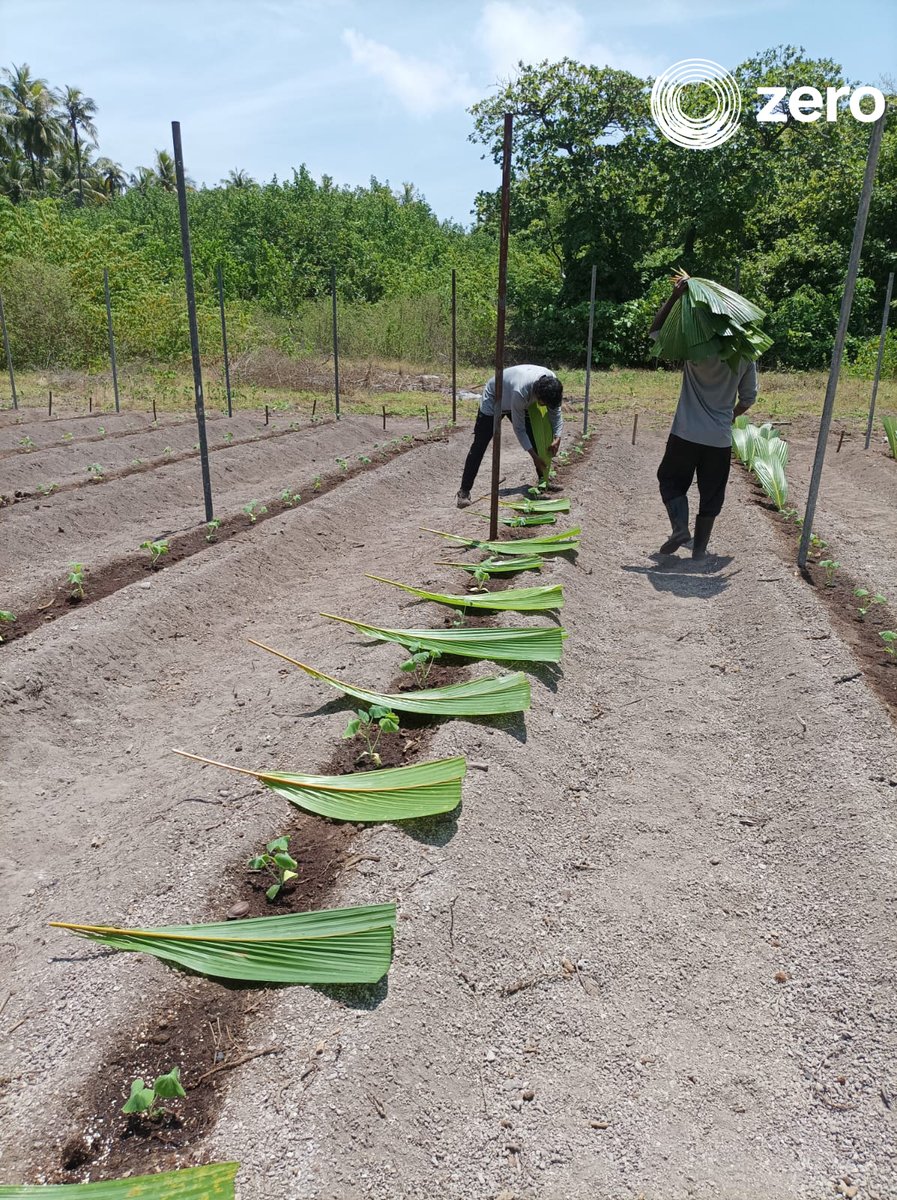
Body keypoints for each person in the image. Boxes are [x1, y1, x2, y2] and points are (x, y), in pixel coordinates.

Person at [651, 279, 758, 560]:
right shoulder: (746, 352)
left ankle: (679, 527)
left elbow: (656, 332)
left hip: (685, 433)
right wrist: (728, 416)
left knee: (670, 480)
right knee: (711, 494)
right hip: (718, 439)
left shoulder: (694, 345)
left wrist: (675, 297)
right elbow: (748, 398)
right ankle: (699, 552)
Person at [456, 365, 563, 508]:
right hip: (495, 397)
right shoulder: (521, 391)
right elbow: (519, 429)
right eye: (543, 402)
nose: (543, 405)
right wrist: (534, 457)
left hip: (517, 400)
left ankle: (543, 482)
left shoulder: (552, 385)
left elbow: (555, 413)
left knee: (535, 438)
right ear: (537, 394)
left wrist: (557, 437)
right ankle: (464, 491)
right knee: (480, 444)